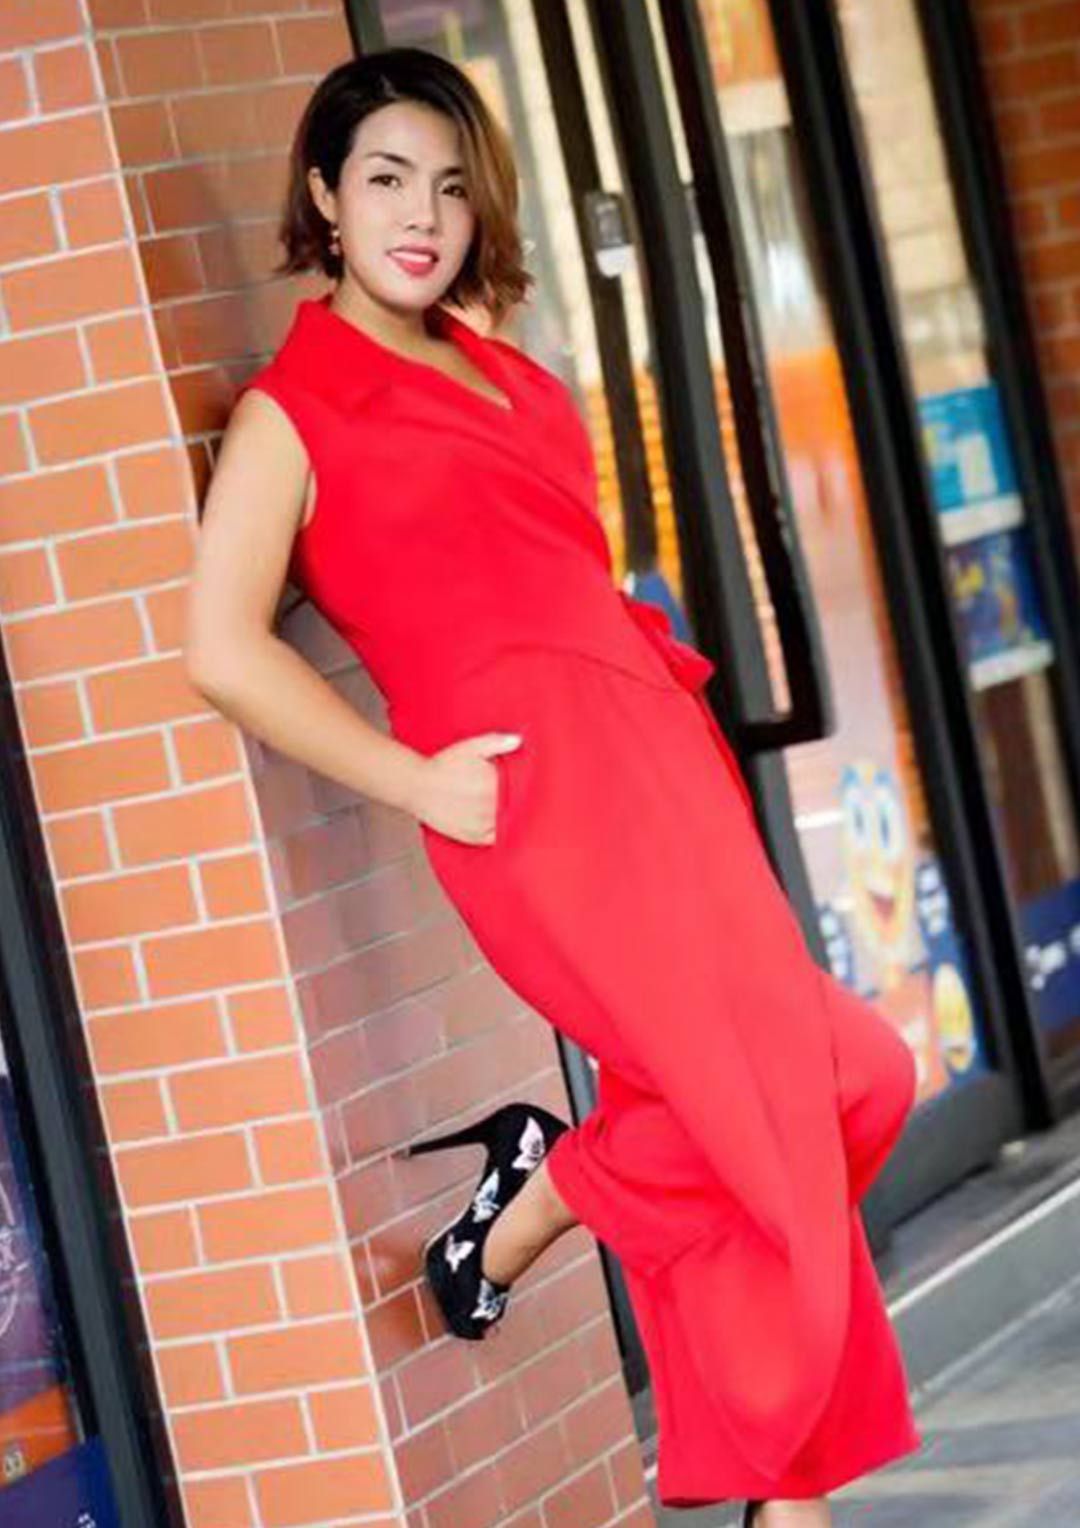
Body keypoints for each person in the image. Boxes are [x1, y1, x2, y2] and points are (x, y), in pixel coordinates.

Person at [185, 45, 922, 1527]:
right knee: (797, 1094)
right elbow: (221, 648)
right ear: (324, 197)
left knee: (824, 1083)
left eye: (452, 187)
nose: (422, 215)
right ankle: (764, 1469)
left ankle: (549, 1215)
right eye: (386, 179)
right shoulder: (292, 412)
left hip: (663, 769)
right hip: (529, 811)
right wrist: (413, 781)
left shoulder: (507, 373)